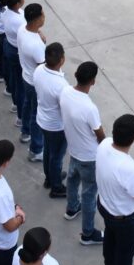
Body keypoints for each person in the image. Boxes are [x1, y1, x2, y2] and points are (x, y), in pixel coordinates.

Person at [59, 61, 105, 246]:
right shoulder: (89, 108)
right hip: (90, 157)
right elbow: (100, 134)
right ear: (93, 81)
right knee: (89, 194)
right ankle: (88, 233)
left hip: (74, 150)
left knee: (72, 179)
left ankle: (71, 208)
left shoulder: (65, 92)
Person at [96, 114, 134, 265]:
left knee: (110, 243)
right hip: (125, 220)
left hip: (104, 207)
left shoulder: (104, 144)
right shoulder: (130, 168)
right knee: (124, 256)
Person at [33, 42, 69, 199]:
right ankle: (56, 187)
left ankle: (49, 178)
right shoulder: (61, 85)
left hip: (43, 120)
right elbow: (66, 109)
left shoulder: (39, 70)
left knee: (48, 150)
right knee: (56, 157)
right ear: (62, 60)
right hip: (56, 126)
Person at [17, 4, 46, 158]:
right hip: (35, 83)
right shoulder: (36, 46)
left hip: (26, 77)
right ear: (36, 19)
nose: (44, 17)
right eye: (42, 14)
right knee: (36, 114)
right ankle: (36, 149)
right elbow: (44, 67)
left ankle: (25, 131)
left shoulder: (22, 29)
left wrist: (39, 33)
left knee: (27, 104)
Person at [1, 0, 25, 119]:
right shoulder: (19, 21)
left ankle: (15, 101)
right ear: (16, 4)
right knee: (20, 84)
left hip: (9, 45)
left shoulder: (5, 11)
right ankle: (20, 116)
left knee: (14, 76)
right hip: (17, 51)